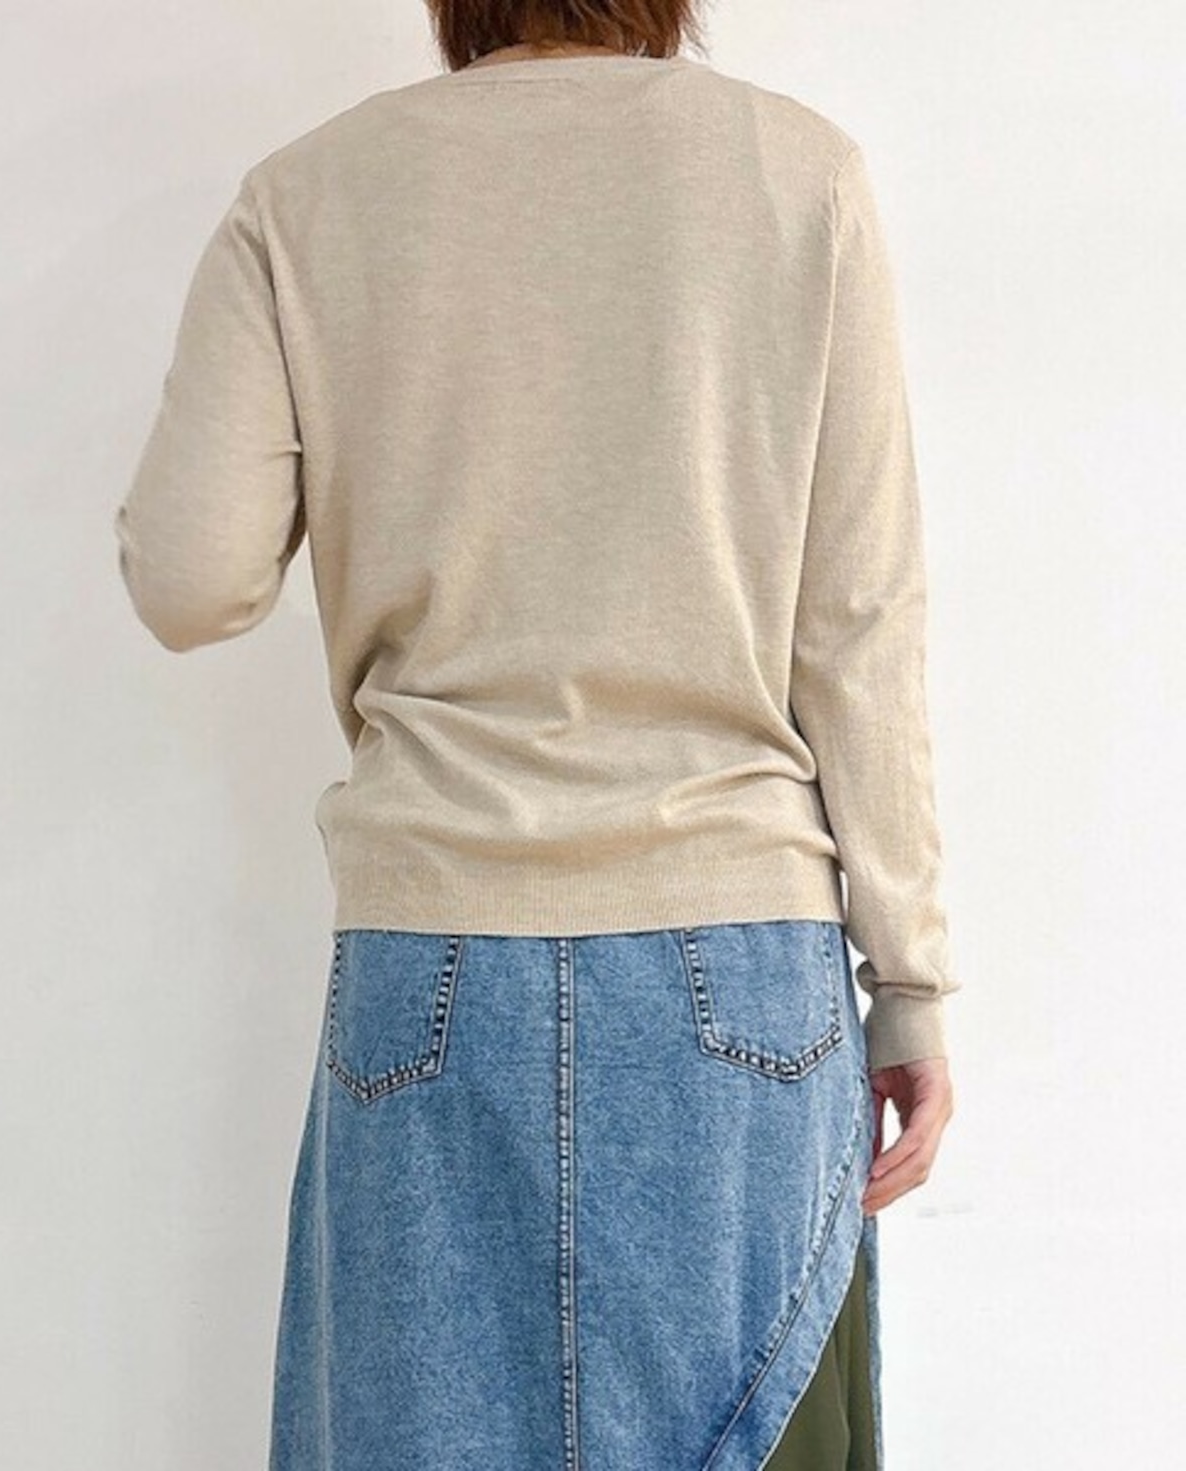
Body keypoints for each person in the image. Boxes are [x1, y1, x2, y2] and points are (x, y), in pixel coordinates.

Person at [113, 3, 959, 1466]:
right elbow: (858, 624)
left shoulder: (309, 195)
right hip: (740, 976)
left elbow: (191, 578)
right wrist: (916, 992)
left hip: (431, 966)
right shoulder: (798, 174)